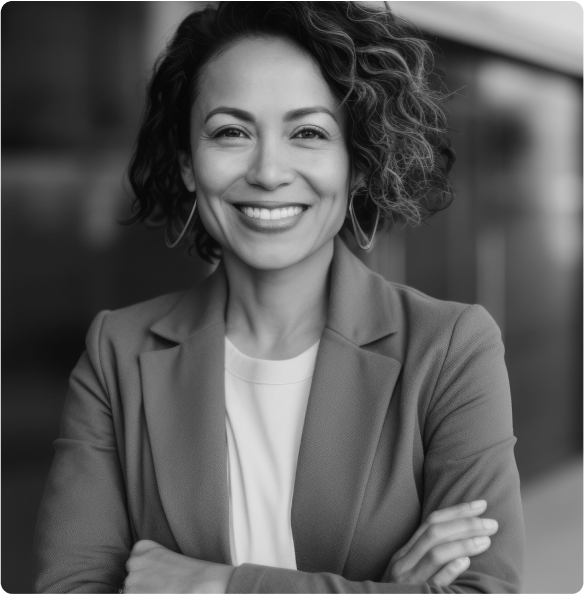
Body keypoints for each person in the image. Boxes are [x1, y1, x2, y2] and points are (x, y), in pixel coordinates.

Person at [32, 2, 525, 593]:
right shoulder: (117, 351)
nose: (268, 171)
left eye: (309, 133)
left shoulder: (449, 349)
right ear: (189, 164)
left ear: (357, 164)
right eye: (231, 132)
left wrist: (222, 586)